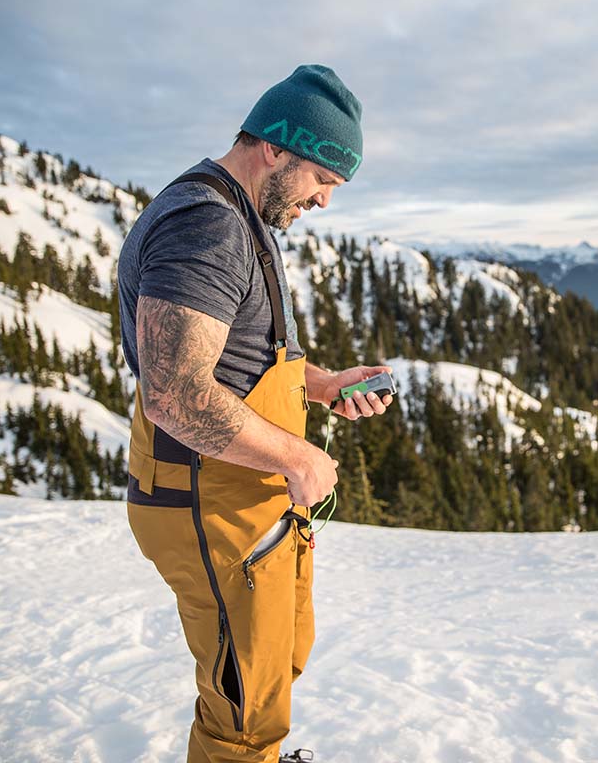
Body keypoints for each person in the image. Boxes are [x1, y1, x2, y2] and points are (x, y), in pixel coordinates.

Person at [116, 64, 392, 763]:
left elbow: (237, 365)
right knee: (242, 705)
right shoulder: (206, 225)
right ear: (276, 147)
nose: (325, 201)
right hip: (208, 500)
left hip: (243, 495)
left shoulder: (246, 216)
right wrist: (299, 456)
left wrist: (323, 385)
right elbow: (175, 393)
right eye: (323, 180)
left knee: (272, 663)